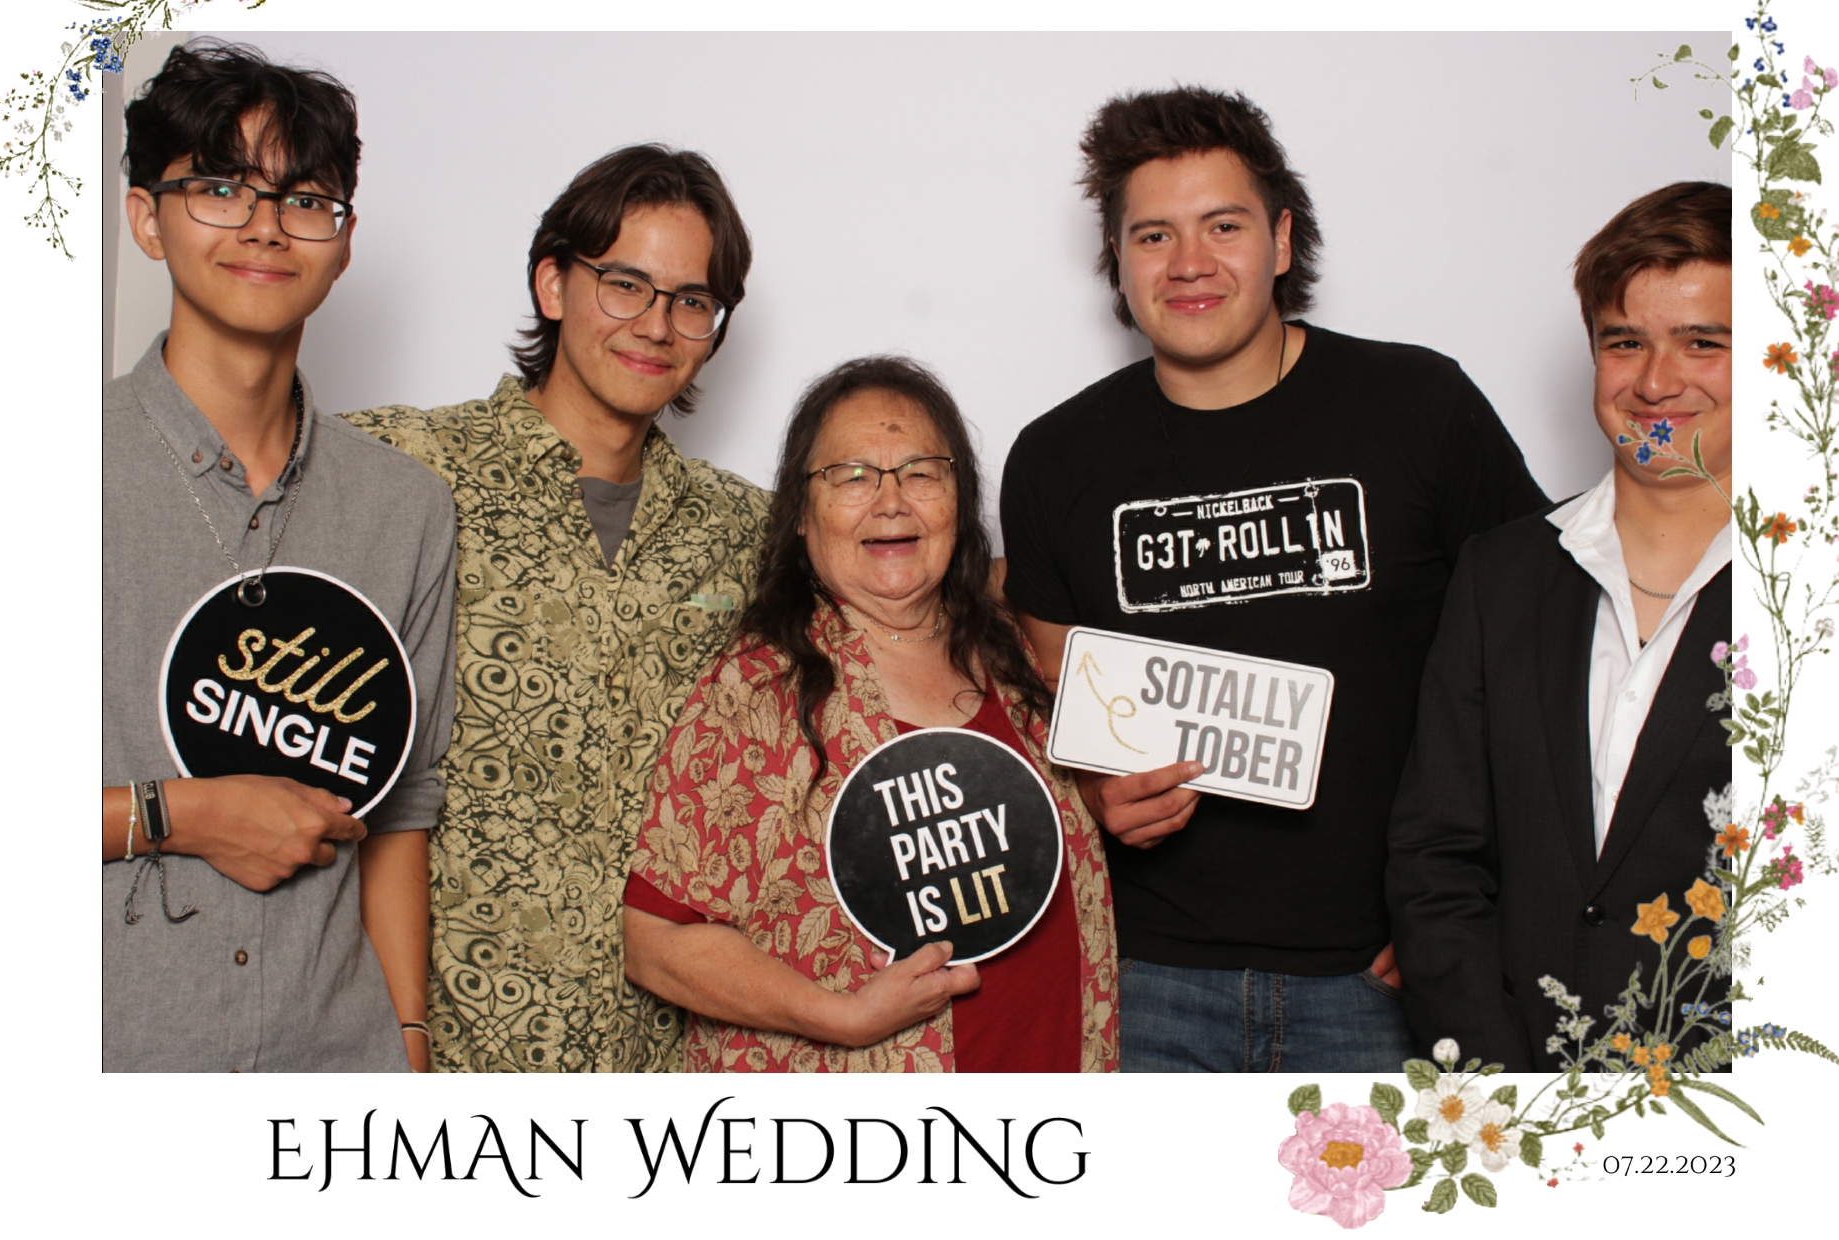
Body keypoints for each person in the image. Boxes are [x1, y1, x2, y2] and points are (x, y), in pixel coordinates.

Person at [998, 85, 1547, 1072]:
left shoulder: (1419, 407)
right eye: (1153, 235)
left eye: (1223, 225)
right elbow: (1050, 695)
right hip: (1149, 979)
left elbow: (1541, 655)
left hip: (1381, 976)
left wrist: (1463, 916)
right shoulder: (1054, 459)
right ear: (1117, 259)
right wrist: (1091, 792)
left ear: (1282, 240)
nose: (1189, 262)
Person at [342, 145, 770, 1071]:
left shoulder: (743, 530)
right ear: (552, 283)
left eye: (692, 301)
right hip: (436, 1058)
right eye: (625, 284)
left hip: (661, 1072)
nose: (655, 325)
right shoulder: (400, 467)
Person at [101, 41, 457, 1071]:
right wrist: (176, 814)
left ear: (341, 244)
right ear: (146, 220)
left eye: (304, 200)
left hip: (336, 1070)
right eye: (220, 188)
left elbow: (400, 814)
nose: (264, 225)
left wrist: (408, 1046)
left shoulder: (405, 508)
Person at [622, 357, 1118, 1072]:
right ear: (801, 513)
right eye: (852, 476)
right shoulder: (758, 691)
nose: (891, 502)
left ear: (958, 500)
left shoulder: (1014, 654)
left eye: (922, 472)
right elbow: (656, 940)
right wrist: (842, 1017)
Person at [1387, 182, 1733, 1072]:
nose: (1655, 382)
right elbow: (1437, 862)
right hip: (1513, 1095)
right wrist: (1506, 1092)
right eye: (1625, 342)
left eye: (1703, 342)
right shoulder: (1501, 574)